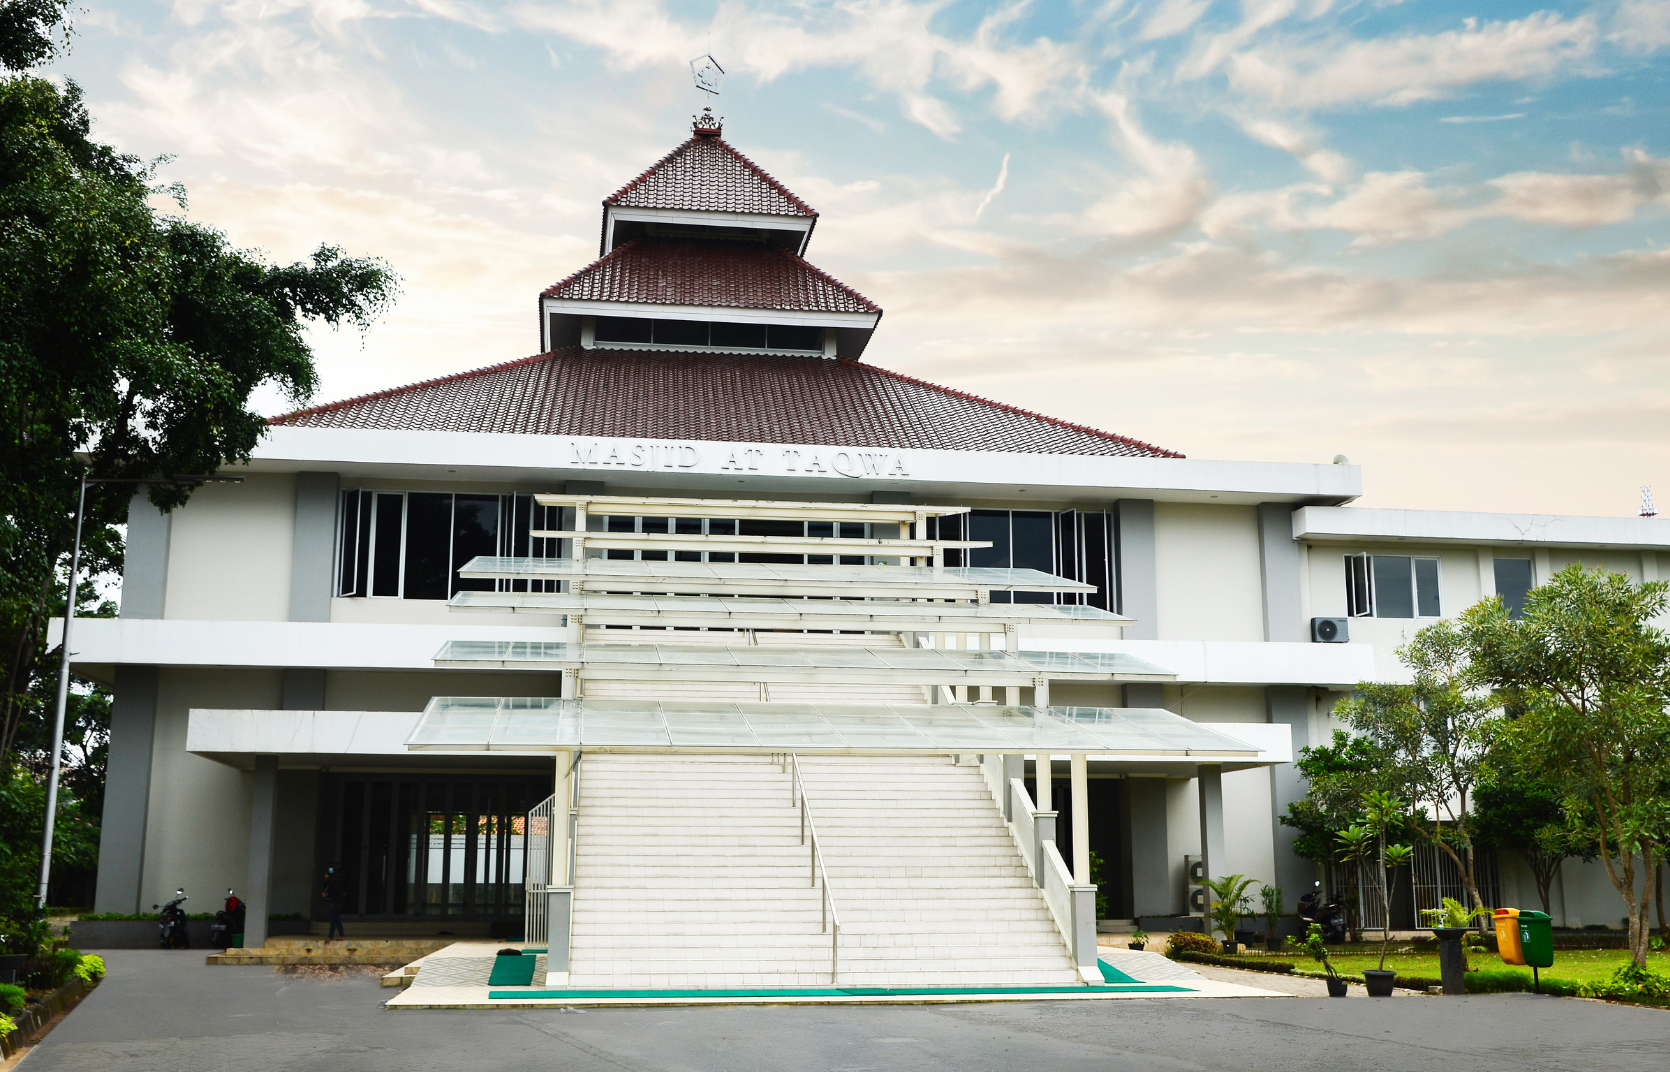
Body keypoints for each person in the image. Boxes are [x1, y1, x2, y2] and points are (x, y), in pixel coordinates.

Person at [321, 866, 347, 940]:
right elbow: (326, 886)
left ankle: (330, 936)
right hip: (336, 899)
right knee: (337, 918)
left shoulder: (337, 879)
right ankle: (341, 935)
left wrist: (327, 894)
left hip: (337, 899)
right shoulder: (333, 879)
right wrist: (326, 879)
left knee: (333, 918)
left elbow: (336, 890)